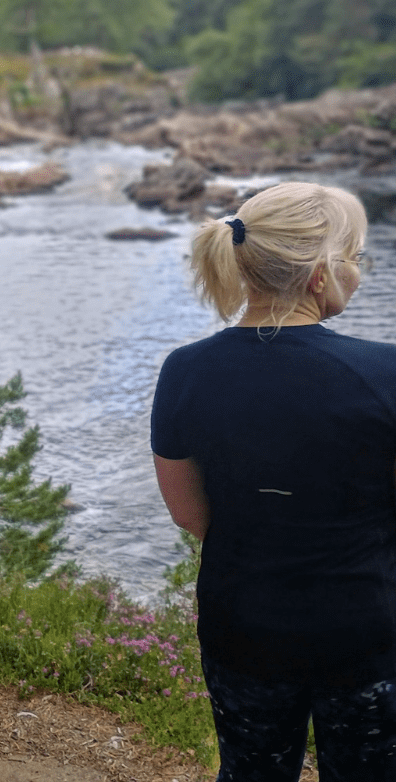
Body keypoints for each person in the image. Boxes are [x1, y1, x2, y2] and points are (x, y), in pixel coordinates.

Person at [151, 181, 396, 781]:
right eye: (354, 259)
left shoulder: (185, 372)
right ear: (318, 275)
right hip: (365, 630)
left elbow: (190, 514)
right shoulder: (385, 373)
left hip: (244, 625)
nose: (359, 273)